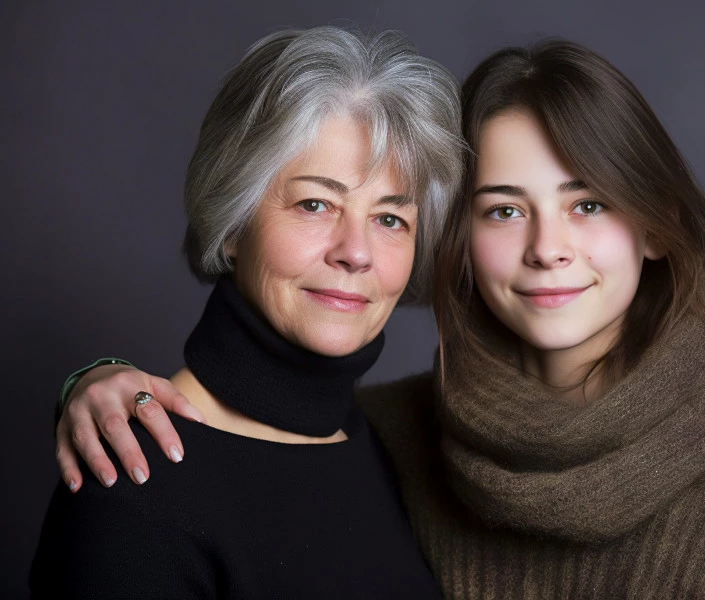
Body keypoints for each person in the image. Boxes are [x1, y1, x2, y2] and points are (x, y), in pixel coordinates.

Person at [50, 40, 705, 598]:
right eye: (504, 209)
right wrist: (94, 385)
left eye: (588, 202)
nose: (549, 248)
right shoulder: (395, 440)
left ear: (657, 224)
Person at [30, 26, 463, 598]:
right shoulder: (134, 487)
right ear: (234, 223)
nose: (355, 252)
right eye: (315, 203)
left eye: (390, 219)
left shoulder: (394, 448)